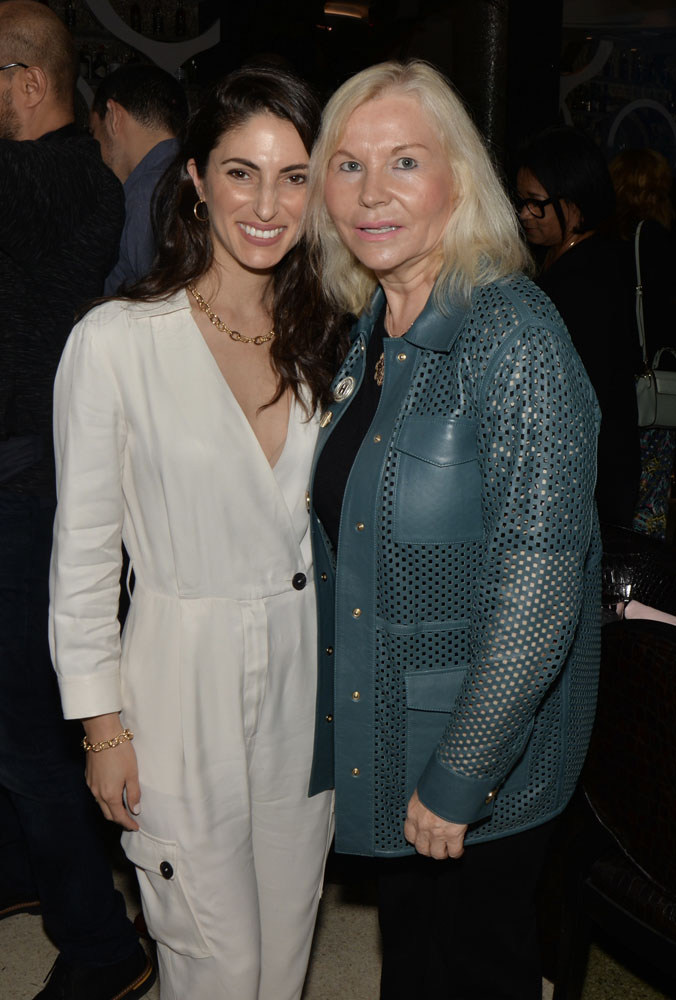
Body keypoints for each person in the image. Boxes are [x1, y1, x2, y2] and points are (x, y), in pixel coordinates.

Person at [49, 66, 349, 1000]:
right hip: (178, 682)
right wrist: (103, 730)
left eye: (294, 176)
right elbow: (86, 556)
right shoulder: (116, 342)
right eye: (240, 172)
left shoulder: (334, 335)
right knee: (214, 967)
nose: (267, 204)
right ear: (195, 178)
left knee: (283, 959)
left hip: (305, 688)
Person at [305, 60, 601, 1000]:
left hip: (483, 760)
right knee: (414, 971)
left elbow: (544, 587)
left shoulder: (514, 335)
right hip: (390, 731)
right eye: (347, 166)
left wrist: (463, 770)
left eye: (403, 162)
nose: (371, 192)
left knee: (474, 973)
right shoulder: (373, 326)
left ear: (459, 180)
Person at [0, 3, 153, 998]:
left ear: (22, 80)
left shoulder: (41, 181)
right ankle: (31, 874)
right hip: (38, 485)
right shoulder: (79, 183)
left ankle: (100, 941)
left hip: (27, 492)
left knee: (24, 728)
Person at [515, 126, 641, 527]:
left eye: (536, 204)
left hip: (583, 479)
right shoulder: (561, 262)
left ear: (574, 204)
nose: (524, 214)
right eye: (521, 202)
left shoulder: (589, 277)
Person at [609, 148, 676, 539]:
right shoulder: (655, 239)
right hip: (649, 383)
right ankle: (641, 583)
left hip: (615, 380)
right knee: (650, 494)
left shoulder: (605, 241)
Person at [89, 63, 189, 294]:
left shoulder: (146, 194)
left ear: (114, 117)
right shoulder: (191, 174)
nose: (95, 149)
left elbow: (156, 307)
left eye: (94, 132)